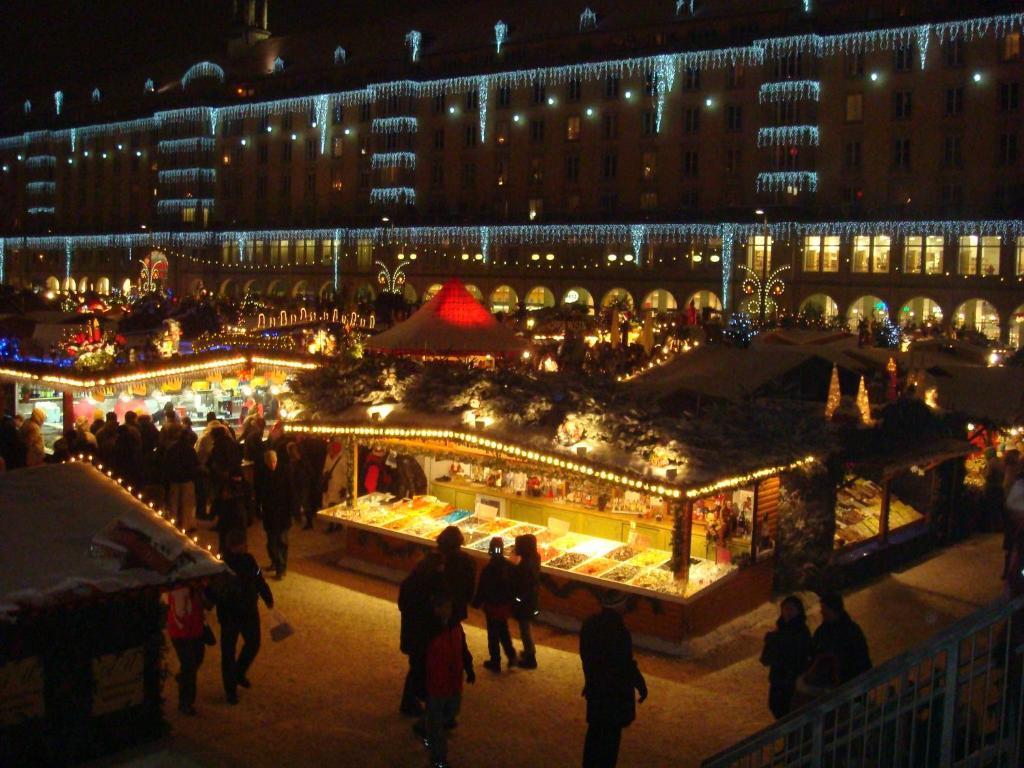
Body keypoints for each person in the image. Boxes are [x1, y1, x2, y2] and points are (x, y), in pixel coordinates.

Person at [580, 590, 648, 768]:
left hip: (596, 690)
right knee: (609, 742)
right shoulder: (619, 631)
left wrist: (590, 680)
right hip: (614, 695)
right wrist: (640, 684)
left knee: (594, 735)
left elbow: (587, 657)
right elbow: (624, 663)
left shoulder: (589, 625)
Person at [215, 529, 274, 704]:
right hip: (234, 613)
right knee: (231, 651)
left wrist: (266, 595)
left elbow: (258, 579)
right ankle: (231, 688)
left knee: (249, 644)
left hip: (242, 611)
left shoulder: (246, 560)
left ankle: (237, 675)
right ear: (238, 545)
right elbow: (258, 579)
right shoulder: (224, 565)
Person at [417, 592, 475, 768]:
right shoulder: (429, 631)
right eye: (445, 607)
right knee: (437, 723)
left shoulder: (456, 627)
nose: (448, 611)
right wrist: (420, 686)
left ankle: (425, 727)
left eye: (450, 607)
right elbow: (420, 659)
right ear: (436, 609)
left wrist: (469, 667)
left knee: (451, 712)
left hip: (453, 681)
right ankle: (439, 757)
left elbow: (463, 649)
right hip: (436, 683)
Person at [398, 555, 443, 717]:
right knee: (419, 668)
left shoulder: (409, 583)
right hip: (422, 634)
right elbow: (431, 612)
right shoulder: (427, 588)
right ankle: (412, 701)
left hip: (411, 632)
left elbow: (402, 605)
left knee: (416, 666)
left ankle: (410, 700)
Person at [760, 595, 813, 719]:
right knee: (777, 707)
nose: (787, 613)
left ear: (798, 611)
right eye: (785, 609)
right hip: (778, 680)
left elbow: (801, 654)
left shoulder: (801, 632)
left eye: (791, 609)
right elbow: (766, 659)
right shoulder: (779, 631)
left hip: (792, 681)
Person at [808, 593, 872, 689]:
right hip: (829, 684)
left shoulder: (851, 630)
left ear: (834, 609)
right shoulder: (822, 631)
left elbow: (860, 656)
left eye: (824, 608)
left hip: (850, 682)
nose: (822, 612)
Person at [472, 537, 517, 672]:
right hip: (504, 605)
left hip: (492, 606)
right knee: (503, 630)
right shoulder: (509, 567)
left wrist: (476, 603)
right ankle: (512, 656)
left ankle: (495, 661)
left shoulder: (489, 569)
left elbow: (482, 588)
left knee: (493, 634)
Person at [167, 584, 208, 715]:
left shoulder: (196, 589)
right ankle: (185, 702)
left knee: (198, 659)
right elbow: (180, 614)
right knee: (190, 665)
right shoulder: (181, 590)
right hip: (182, 634)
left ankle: (183, 678)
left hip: (195, 632)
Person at [259, 449, 292, 579]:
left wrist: (291, 511)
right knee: (271, 542)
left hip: (282, 514)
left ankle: (281, 568)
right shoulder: (264, 474)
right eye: (270, 462)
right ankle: (275, 562)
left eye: (274, 462)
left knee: (281, 542)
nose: (273, 464)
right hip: (270, 514)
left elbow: (290, 493)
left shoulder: (284, 472)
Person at [162, 422, 199, 533]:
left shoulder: (171, 449)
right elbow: (194, 463)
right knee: (187, 504)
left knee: (174, 504)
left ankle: (174, 525)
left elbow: (167, 463)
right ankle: (186, 525)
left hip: (174, 479)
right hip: (187, 479)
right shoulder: (189, 449)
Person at [511, 533, 541, 669]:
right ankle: (529, 652)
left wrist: (517, 599)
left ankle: (530, 658)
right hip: (531, 600)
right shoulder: (534, 558)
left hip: (525, 602)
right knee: (526, 627)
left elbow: (522, 585)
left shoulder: (525, 566)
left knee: (525, 629)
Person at [321, 438, 349, 531]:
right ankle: (334, 523)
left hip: (338, 485)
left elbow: (346, 474)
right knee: (331, 504)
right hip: (330, 484)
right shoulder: (328, 456)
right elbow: (325, 467)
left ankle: (335, 524)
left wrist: (344, 487)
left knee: (335, 505)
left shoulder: (342, 459)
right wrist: (325, 473)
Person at [285, 441, 308, 525]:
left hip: (300, 481)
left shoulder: (299, 459)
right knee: (297, 500)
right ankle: (297, 516)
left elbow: (303, 468)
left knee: (301, 500)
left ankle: (302, 517)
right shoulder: (293, 460)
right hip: (296, 482)